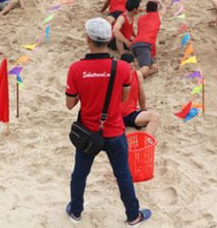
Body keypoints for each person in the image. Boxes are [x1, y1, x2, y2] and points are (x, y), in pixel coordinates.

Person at [64, 18, 152, 225]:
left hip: (88, 131)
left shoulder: (76, 69)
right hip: (113, 129)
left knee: (80, 173)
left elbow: (70, 104)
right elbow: (123, 98)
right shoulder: (121, 68)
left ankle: (76, 211)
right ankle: (133, 215)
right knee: (123, 174)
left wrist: (85, 91)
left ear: (88, 39)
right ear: (109, 38)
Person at [120, 53, 160, 135]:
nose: (129, 71)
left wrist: (143, 109)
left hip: (131, 113)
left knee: (154, 117)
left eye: (131, 68)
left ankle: (146, 142)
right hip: (116, 117)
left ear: (134, 65)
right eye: (126, 68)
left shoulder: (137, 75)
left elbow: (141, 95)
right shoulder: (115, 76)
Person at [130, 0, 163, 79]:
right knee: (144, 69)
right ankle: (130, 78)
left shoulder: (141, 18)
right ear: (156, 9)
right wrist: (160, 2)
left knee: (154, 68)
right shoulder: (157, 16)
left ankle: (137, 76)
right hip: (144, 45)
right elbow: (164, 9)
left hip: (137, 44)